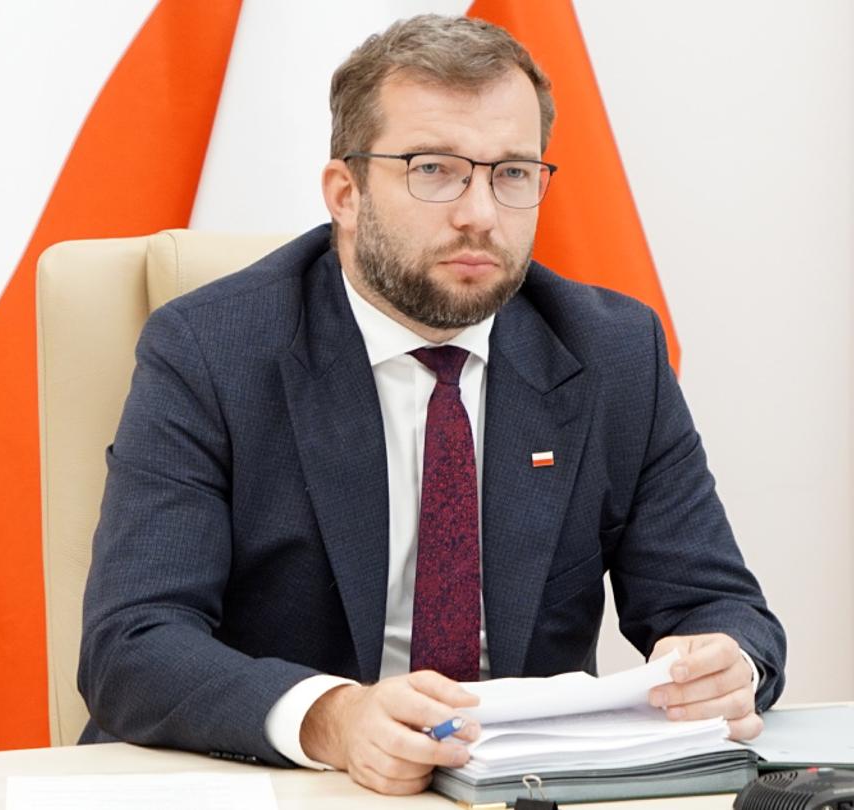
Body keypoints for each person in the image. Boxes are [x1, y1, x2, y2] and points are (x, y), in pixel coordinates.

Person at [76, 13, 785, 796]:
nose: (480, 213)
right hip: (286, 787)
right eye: (435, 170)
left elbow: (717, 606)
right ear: (345, 193)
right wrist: (334, 718)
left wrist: (726, 665)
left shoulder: (611, 352)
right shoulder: (212, 350)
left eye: (512, 173)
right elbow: (133, 643)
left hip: (516, 787)